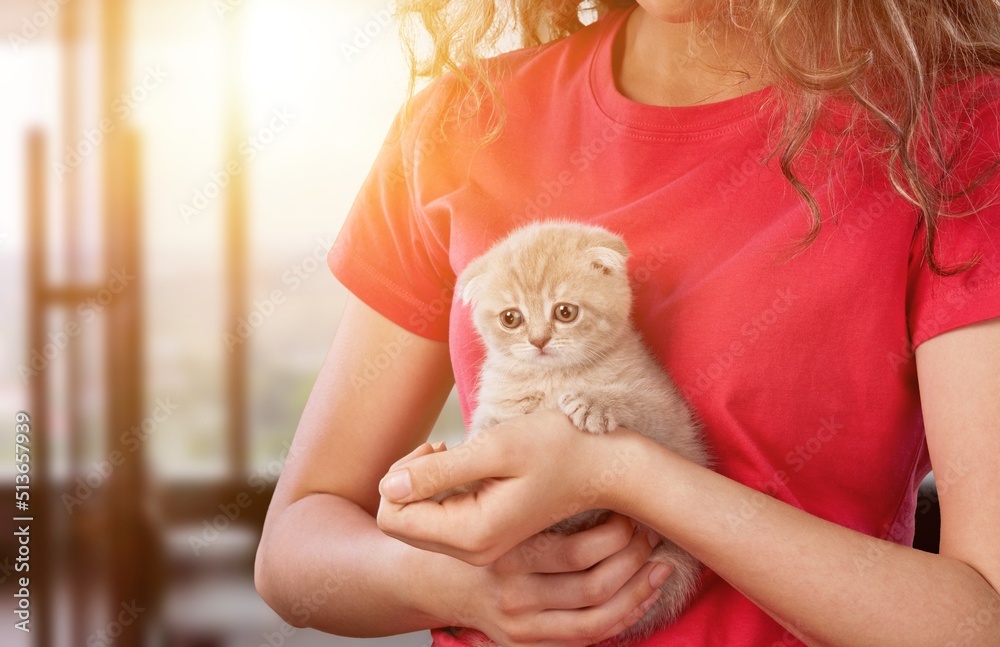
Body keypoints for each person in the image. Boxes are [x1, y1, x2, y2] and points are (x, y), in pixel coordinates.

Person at [255, 1, 1000, 645]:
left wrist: (622, 470)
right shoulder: (463, 123)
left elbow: (982, 619)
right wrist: (457, 584)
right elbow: (293, 550)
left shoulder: (955, 136)